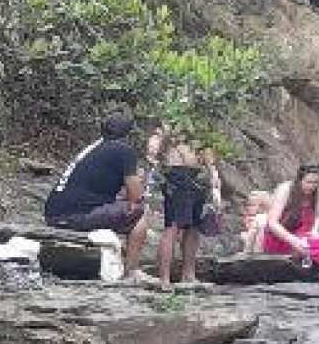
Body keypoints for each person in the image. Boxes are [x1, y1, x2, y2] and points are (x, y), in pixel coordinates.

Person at [44, 113, 153, 278]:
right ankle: (132, 271)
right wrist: (139, 180)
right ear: (128, 134)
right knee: (139, 212)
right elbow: (136, 196)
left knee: (124, 207)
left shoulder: (94, 147)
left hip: (54, 213)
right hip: (75, 216)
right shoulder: (123, 150)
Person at [155, 135, 223, 285]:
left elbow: (207, 150)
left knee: (194, 226)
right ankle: (164, 278)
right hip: (177, 173)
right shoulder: (176, 125)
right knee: (172, 226)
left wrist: (212, 172)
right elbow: (161, 150)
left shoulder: (201, 126)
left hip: (197, 174)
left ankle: (188, 275)